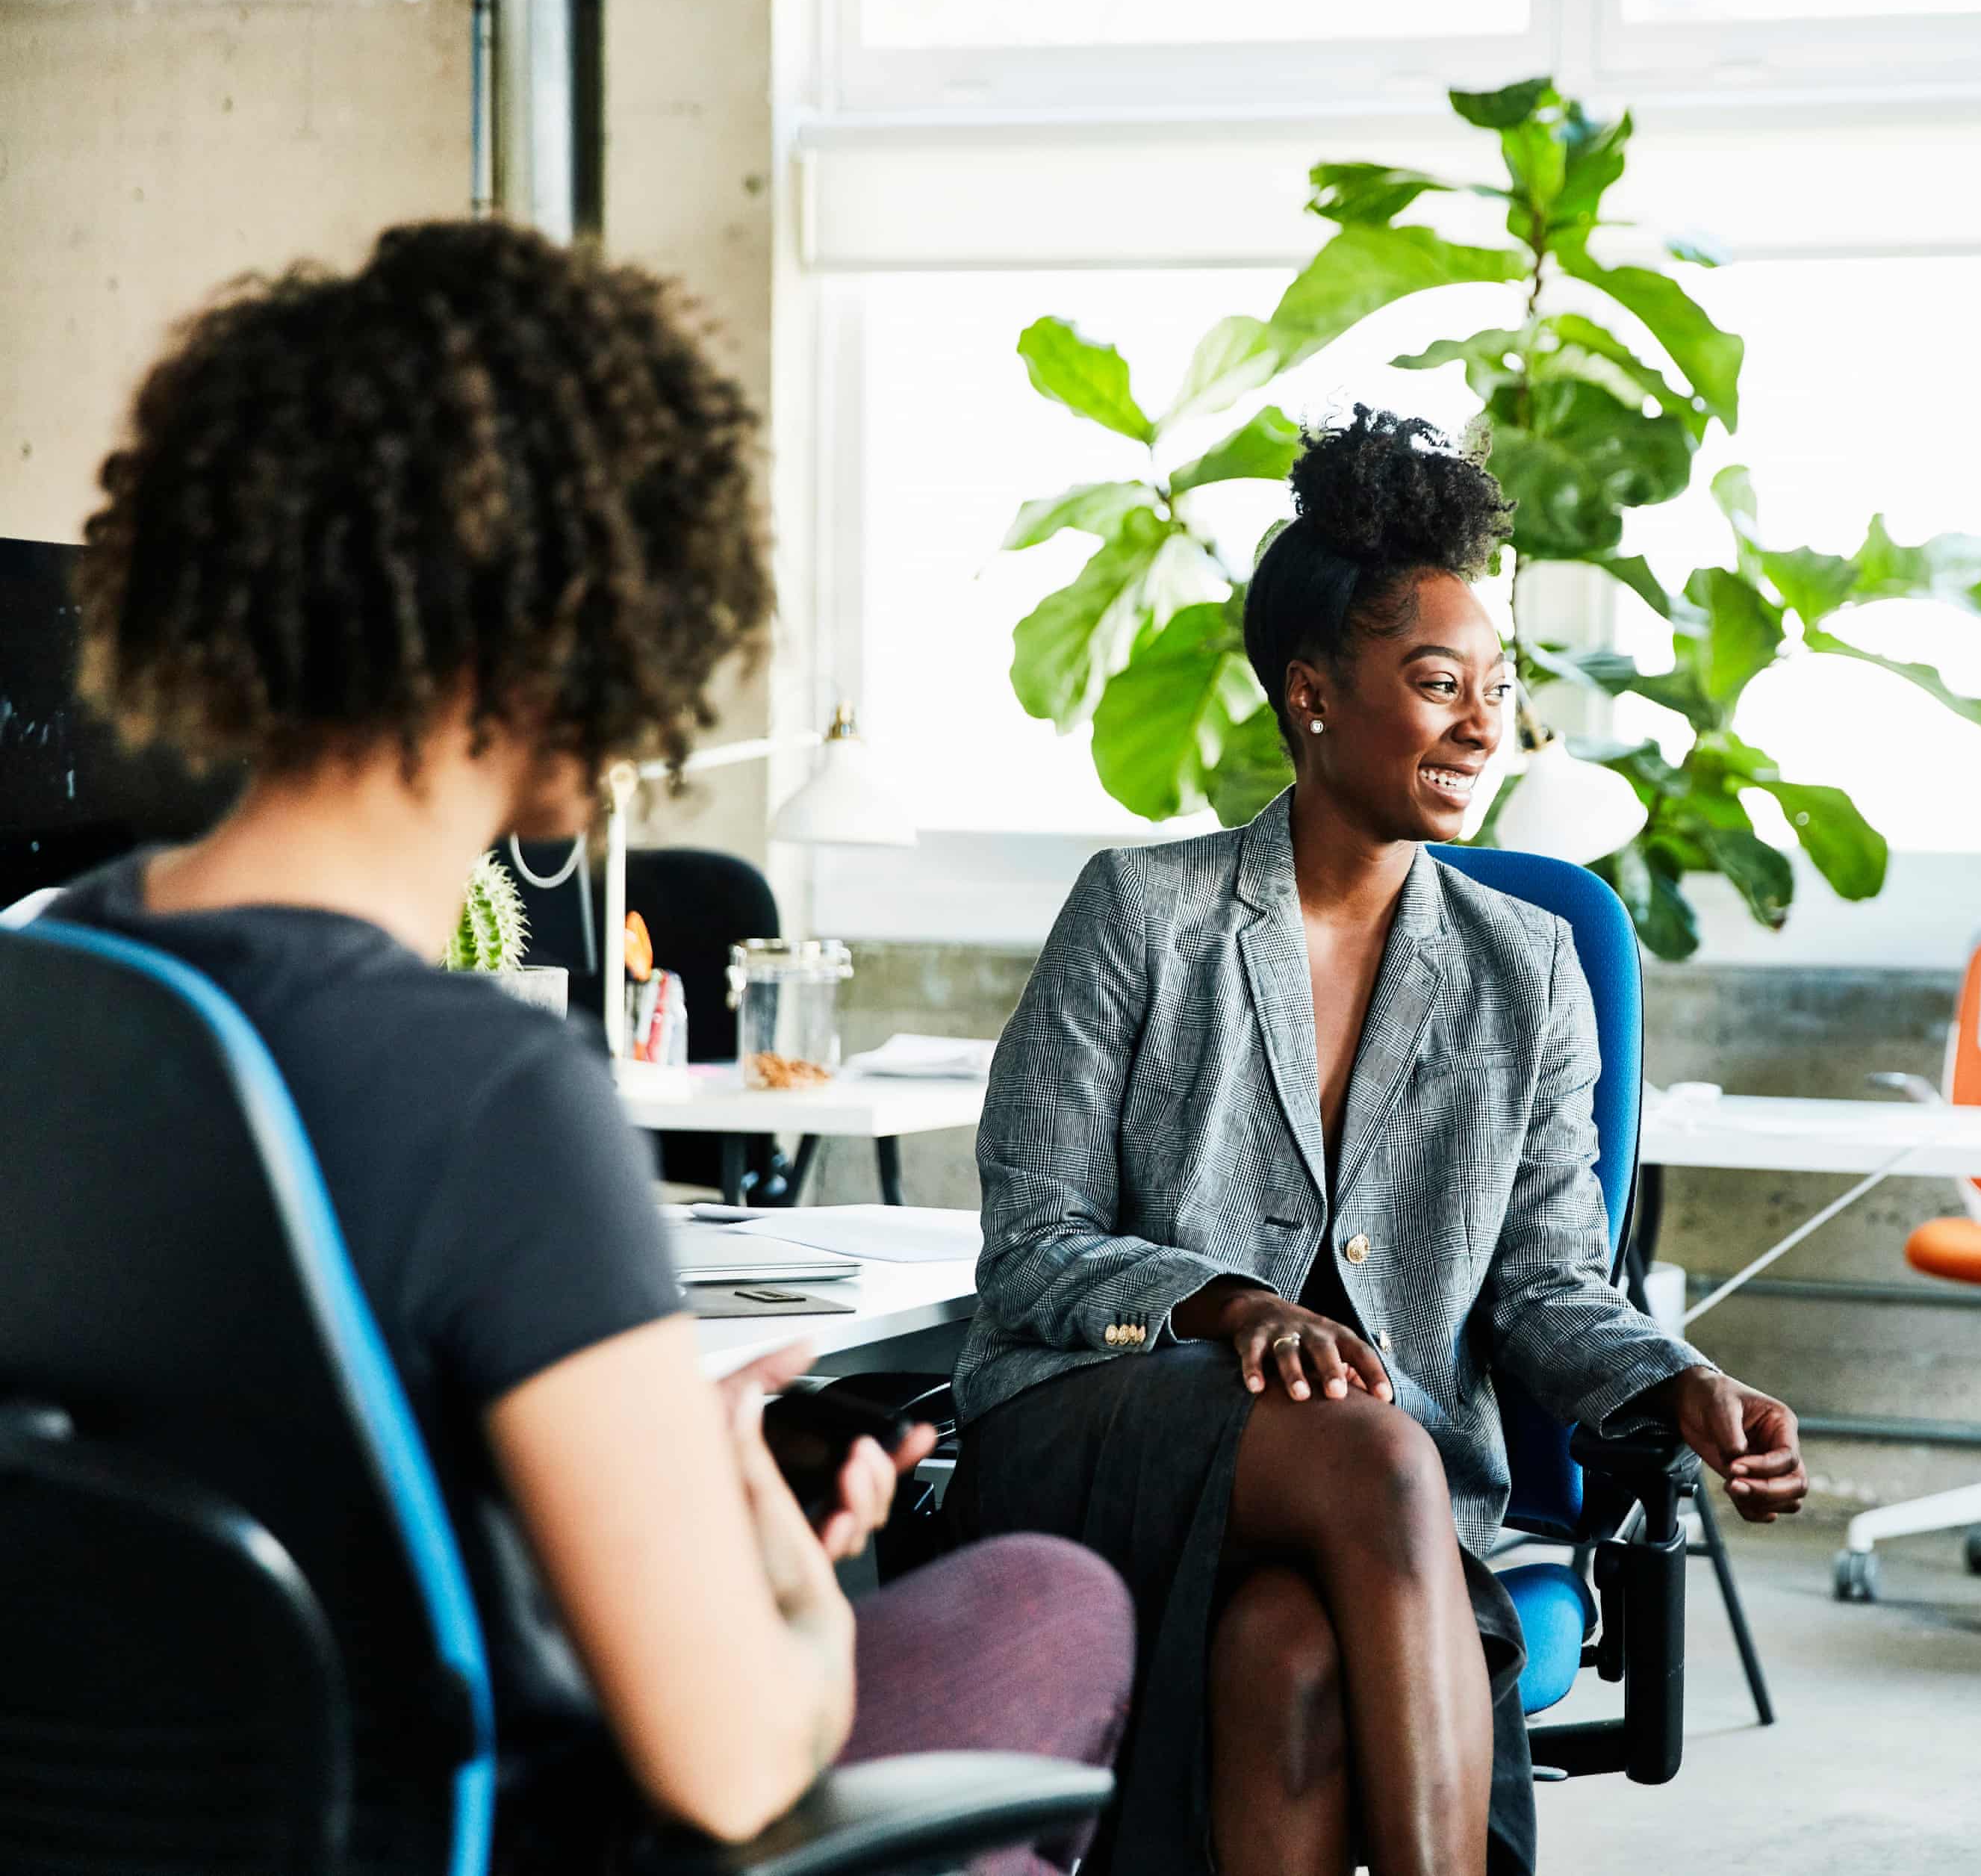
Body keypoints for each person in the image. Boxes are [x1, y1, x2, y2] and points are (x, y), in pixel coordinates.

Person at [43, 220, 1132, 1875]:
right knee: (1048, 1604)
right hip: (484, 1828)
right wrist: (785, 1568)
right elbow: (727, 1766)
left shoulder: (48, 979)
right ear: (563, 610)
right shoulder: (486, 1091)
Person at [943, 406, 1810, 1876]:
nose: (1485, 724)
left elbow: (1545, 1284)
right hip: (1114, 1423)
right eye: (1434, 682)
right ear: (1313, 694)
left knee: (1288, 1652)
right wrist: (1232, 1305)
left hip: (1363, 1515)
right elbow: (1031, 1248)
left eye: (1500, 686)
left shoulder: (1525, 961)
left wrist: (1679, 1386)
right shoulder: (1141, 915)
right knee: (1379, 1451)